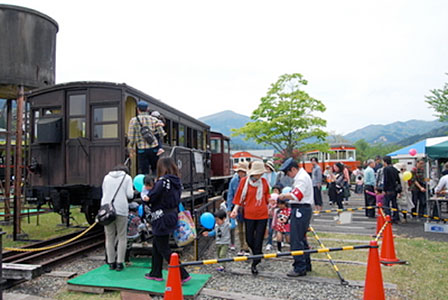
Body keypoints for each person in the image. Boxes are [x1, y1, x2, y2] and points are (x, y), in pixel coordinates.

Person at [143, 157, 191, 284]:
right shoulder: (176, 182)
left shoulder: (162, 182)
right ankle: (155, 272)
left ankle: (183, 274)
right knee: (157, 244)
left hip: (161, 217)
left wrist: (145, 197)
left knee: (163, 247)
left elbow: (152, 197)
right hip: (172, 214)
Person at [230, 160, 270, 275]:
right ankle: (258, 254)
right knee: (249, 239)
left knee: (258, 239)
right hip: (249, 214)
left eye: (261, 173)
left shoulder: (264, 182)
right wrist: (235, 210)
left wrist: (270, 200)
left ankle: (255, 262)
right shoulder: (244, 182)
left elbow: (267, 195)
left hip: (262, 214)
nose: (260, 175)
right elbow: (239, 198)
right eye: (259, 173)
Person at [278, 158, 313, 277]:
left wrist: (283, 196)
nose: (288, 175)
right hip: (302, 209)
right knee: (302, 239)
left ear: (293, 169)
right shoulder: (302, 176)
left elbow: (296, 195)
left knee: (296, 239)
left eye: (288, 172)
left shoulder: (301, 178)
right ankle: (306, 264)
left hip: (300, 208)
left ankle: (299, 267)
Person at [101, 165, 134, 271]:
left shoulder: (106, 177)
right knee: (122, 237)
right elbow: (130, 195)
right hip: (121, 209)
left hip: (107, 210)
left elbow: (104, 193)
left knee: (109, 237)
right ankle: (120, 263)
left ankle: (111, 262)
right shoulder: (127, 178)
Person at [128, 101, 166, 175]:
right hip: (154, 148)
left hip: (141, 149)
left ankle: (146, 185)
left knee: (144, 171)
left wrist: (131, 148)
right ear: (147, 109)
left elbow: (131, 137)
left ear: (138, 109)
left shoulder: (133, 121)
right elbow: (162, 133)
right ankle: (155, 184)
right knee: (155, 169)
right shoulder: (154, 120)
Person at [226, 162, 250, 255]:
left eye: (242, 171)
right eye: (239, 171)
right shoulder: (234, 180)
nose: (240, 173)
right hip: (238, 207)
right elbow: (230, 194)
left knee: (247, 228)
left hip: (247, 207)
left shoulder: (249, 180)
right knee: (240, 229)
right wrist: (229, 208)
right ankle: (242, 247)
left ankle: (247, 247)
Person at [382, 156, 401, 223]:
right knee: (394, 203)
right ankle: (396, 217)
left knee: (386, 204)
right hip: (394, 189)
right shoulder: (395, 169)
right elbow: (398, 180)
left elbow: (385, 180)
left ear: (385, 162)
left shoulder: (386, 169)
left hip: (388, 189)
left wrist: (384, 189)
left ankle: (388, 217)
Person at [266, 184, 282, 251]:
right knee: (270, 229)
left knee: (280, 229)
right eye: (274, 190)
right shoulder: (270, 197)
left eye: (276, 190)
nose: (275, 191)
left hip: (278, 215)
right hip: (271, 215)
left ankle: (280, 241)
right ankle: (269, 243)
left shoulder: (280, 198)